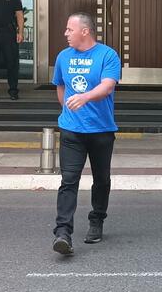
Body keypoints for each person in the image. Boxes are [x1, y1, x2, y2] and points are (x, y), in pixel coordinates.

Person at [51, 13, 121, 256]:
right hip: (71, 130)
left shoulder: (107, 55)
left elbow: (108, 86)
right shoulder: (63, 56)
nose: (65, 33)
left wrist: (85, 97)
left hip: (101, 130)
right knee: (68, 180)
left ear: (85, 31)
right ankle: (63, 233)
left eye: (69, 29)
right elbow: (60, 85)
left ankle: (97, 219)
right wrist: (68, 109)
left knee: (101, 179)